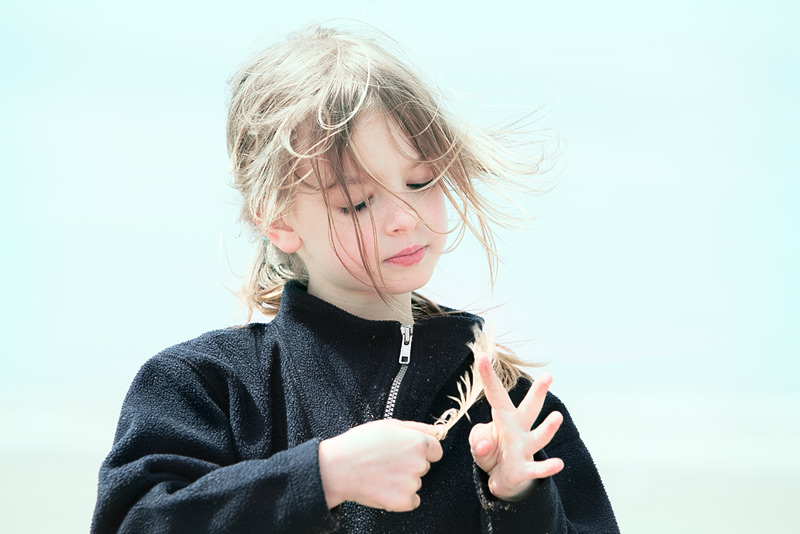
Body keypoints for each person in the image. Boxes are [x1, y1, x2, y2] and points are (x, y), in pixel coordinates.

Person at [91, 25, 619, 533]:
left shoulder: (511, 408)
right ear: (277, 219)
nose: (403, 217)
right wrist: (322, 475)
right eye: (357, 202)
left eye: (421, 180)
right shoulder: (206, 386)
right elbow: (134, 521)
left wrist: (522, 502)